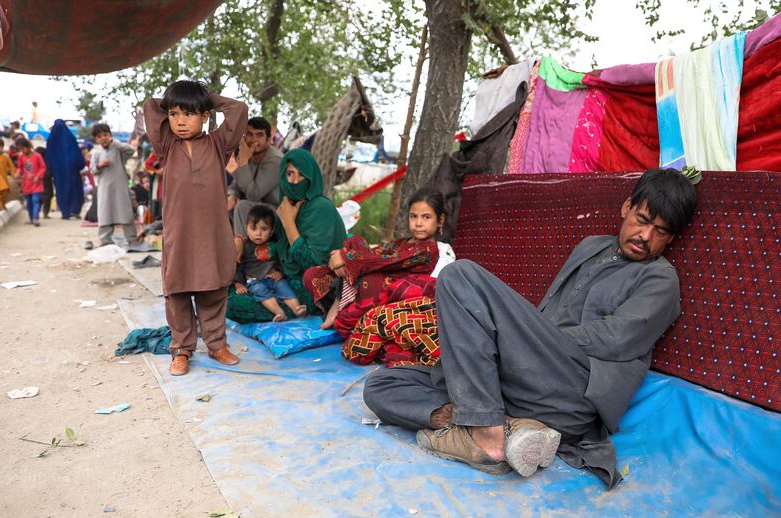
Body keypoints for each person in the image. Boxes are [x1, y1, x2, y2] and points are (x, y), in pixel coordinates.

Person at [363, 168, 698, 488]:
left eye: (662, 231)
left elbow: (615, 340)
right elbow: (548, 313)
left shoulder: (660, 279)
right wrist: (509, 346)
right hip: (525, 384)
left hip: (572, 392)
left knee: (459, 275)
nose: (646, 236)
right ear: (626, 208)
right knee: (382, 385)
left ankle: (487, 438)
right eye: (642, 220)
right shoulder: (591, 246)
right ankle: (503, 426)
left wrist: (517, 338)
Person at [144, 80, 249, 377]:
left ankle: (217, 345)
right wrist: (178, 100)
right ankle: (181, 349)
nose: (179, 121)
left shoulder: (218, 144)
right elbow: (150, 107)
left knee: (213, 288)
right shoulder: (166, 144)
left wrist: (205, 98)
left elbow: (239, 110)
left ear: (205, 116)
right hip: (179, 232)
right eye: (174, 114)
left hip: (212, 232)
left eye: (188, 114)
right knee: (177, 289)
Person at [306, 188, 455, 333]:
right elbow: (374, 253)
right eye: (413, 216)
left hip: (389, 296)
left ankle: (340, 302)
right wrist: (346, 253)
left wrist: (344, 257)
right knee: (314, 274)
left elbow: (386, 261)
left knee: (369, 277)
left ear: (440, 220)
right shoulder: (402, 242)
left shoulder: (428, 250)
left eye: (426, 217)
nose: (418, 223)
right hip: (365, 288)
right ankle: (342, 299)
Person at [227, 148, 346, 323]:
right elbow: (273, 247)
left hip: (315, 287)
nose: (295, 181)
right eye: (290, 174)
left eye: (302, 175)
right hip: (282, 279)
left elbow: (314, 265)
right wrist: (240, 241)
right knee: (230, 291)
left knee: (234, 305)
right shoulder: (287, 204)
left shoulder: (321, 208)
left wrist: (289, 223)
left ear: (312, 177)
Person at [234, 204, 307, 322]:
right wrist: (238, 284)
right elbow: (238, 265)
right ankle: (279, 312)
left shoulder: (274, 245)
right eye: (254, 228)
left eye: (264, 229)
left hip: (273, 278)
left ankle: (297, 308)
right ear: (246, 228)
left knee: (283, 286)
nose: (258, 233)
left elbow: (281, 261)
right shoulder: (244, 246)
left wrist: (280, 273)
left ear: (272, 231)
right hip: (254, 280)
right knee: (259, 290)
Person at [228, 116, 282, 242]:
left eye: (259, 135)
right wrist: (231, 196)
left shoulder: (275, 160)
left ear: (268, 139)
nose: (254, 139)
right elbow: (236, 186)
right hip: (258, 210)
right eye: (250, 134)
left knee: (242, 206)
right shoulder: (250, 157)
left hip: (278, 212)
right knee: (225, 205)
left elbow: (254, 195)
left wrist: (242, 165)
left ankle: (242, 250)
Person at [89, 124, 138, 246]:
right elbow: (92, 170)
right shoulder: (96, 153)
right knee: (105, 213)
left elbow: (131, 150)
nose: (103, 138)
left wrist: (115, 142)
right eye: (100, 136)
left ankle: (131, 239)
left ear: (111, 135)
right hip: (105, 189)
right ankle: (105, 240)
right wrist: (100, 165)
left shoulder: (118, 149)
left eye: (106, 135)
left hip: (120, 187)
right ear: (96, 140)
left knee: (125, 212)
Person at [46, 119, 85, 219]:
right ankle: (75, 210)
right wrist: (78, 165)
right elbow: (78, 155)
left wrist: (51, 169)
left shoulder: (51, 140)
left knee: (62, 191)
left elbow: (49, 157)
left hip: (58, 173)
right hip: (73, 172)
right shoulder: (70, 138)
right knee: (75, 190)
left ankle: (66, 212)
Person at [15, 137, 46, 226]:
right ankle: (31, 218)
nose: (22, 151)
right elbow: (20, 168)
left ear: (28, 146)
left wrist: (38, 176)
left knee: (35, 200)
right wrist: (18, 173)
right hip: (27, 184)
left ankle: (36, 218)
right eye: (20, 149)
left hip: (36, 183)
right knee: (29, 202)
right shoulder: (21, 157)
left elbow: (43, 167)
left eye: (23, 148)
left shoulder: (37, 156)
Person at [35, 147, 54, 218]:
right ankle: (45, 213)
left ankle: (36, 213)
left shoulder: (35, 161)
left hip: (38, 182)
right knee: (47, 198)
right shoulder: (47, 162)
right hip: (47, 182)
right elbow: (50, 173)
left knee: (38, 198)